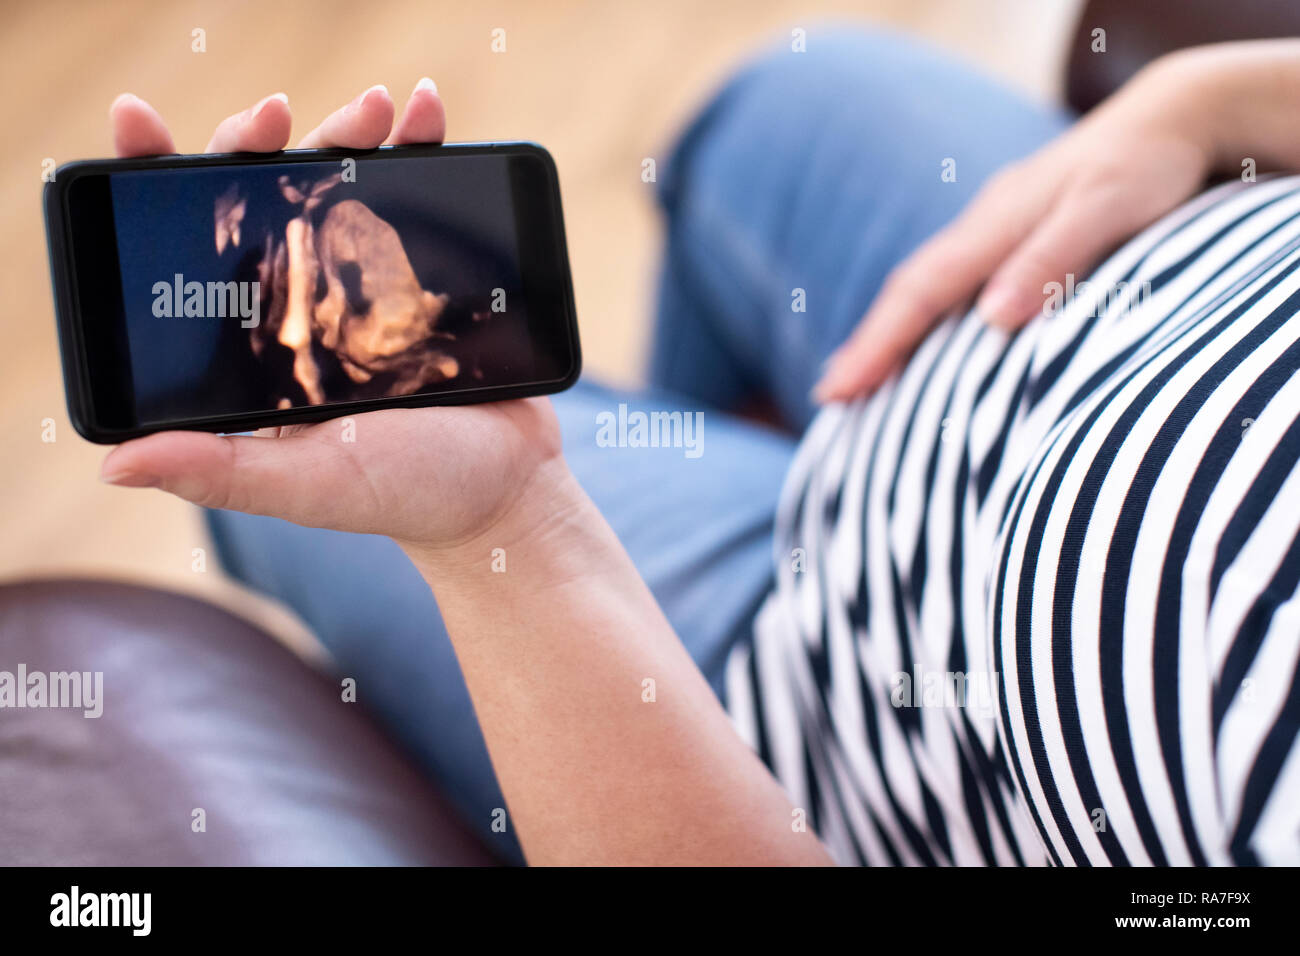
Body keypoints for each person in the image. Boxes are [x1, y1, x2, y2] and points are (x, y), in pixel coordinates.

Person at [99, 30, 1300, 865]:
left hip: (844, 693)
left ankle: (668, 577)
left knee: (251, 463)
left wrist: (512, 530)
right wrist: (1207, 104)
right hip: (1089, 259)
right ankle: (704, 448)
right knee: (778, 98)